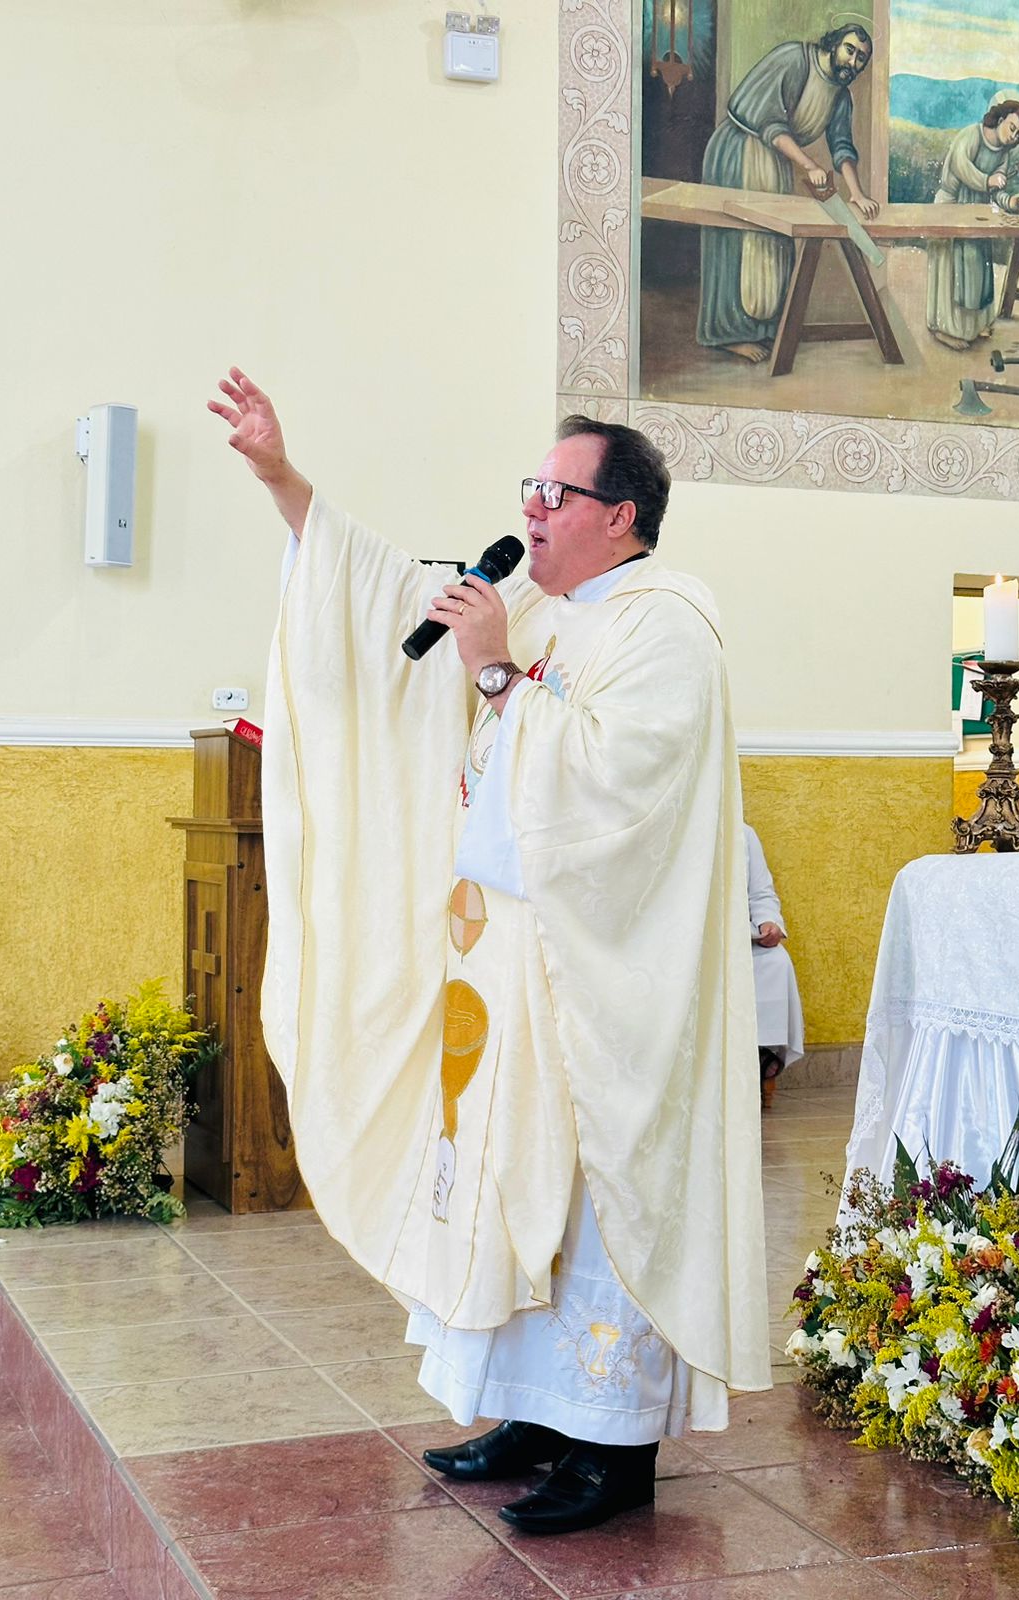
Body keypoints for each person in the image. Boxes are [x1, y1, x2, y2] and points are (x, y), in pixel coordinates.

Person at [208, 369, 771, 1535]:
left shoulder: (668, 625)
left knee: (592, 1201)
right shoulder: (538, 606)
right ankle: (532, 1411)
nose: (533, 509)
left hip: (602, 984)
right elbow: (378, 591)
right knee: (511, 1194)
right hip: (504, 968)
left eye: (557, 493)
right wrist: (280, 476)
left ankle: (610, 1447)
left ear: (621, 515)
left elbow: (614, 793)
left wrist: (500, 673)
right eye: (532, 487)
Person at [697, 24, 878, 363]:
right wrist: (809, 164)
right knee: (737, 243)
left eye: (861, 59)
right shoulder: (795, 59)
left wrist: (857, 193)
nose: (854, 62)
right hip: (740, 152)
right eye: (850, 50)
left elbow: (841, 146)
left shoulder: (840, 94)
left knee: (774, 245)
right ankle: (727, 334)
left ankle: (763, 329)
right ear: (834, 43)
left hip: (777, 162)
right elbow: (767, 121)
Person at [926, 98, 1019, 352]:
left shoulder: (1003, 154)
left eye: (1018, 134)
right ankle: (944, 329)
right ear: (1001, 119)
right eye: (1012, 127)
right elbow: (960, 166)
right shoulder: (972, 136)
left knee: (978, 269)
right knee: (951, 269)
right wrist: (987, 181)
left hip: (977, 211)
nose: (1013, 135)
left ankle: (976, 325)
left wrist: (1009, 201)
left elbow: (996, 189)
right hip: (951, 207)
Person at [744, 823, 804, 1107]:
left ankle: (759, 1056)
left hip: (739, 937)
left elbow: (761, 894)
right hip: (690, 940)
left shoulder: (743, 833)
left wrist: (768, 922)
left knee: (776, 962)